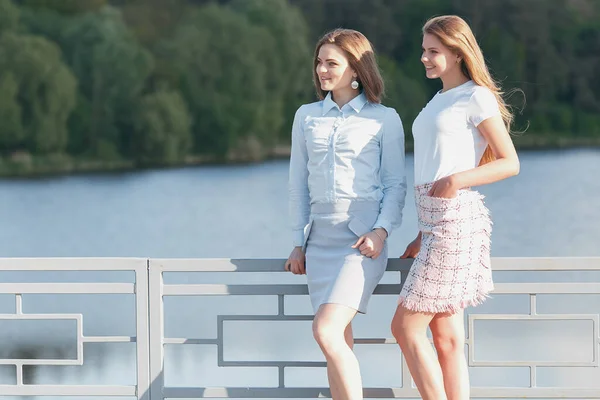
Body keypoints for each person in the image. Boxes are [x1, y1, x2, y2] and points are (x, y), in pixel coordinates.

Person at [390, 15, 521, 400]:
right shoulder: (439, 99)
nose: (424, 58)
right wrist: (420, 233)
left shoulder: (474, 96)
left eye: (433, 51)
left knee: (405, 329)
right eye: (423, 51)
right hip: (434, 228)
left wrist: (455, 181)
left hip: (456, 223)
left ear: (457, 52)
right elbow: (435, 160)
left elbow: (509, 162)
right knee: (445, 340)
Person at [284, 28, 406, 400]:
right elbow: (297, 187)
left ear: (355, 68)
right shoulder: (306, 117)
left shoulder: (385, 119)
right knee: (339, 341)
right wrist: (297, 244)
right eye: (319, 62)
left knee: (325, 330)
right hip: (319, 245)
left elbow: (395, 186)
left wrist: (381, 232)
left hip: (361, 243)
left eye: (331, 62)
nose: (322, 69)